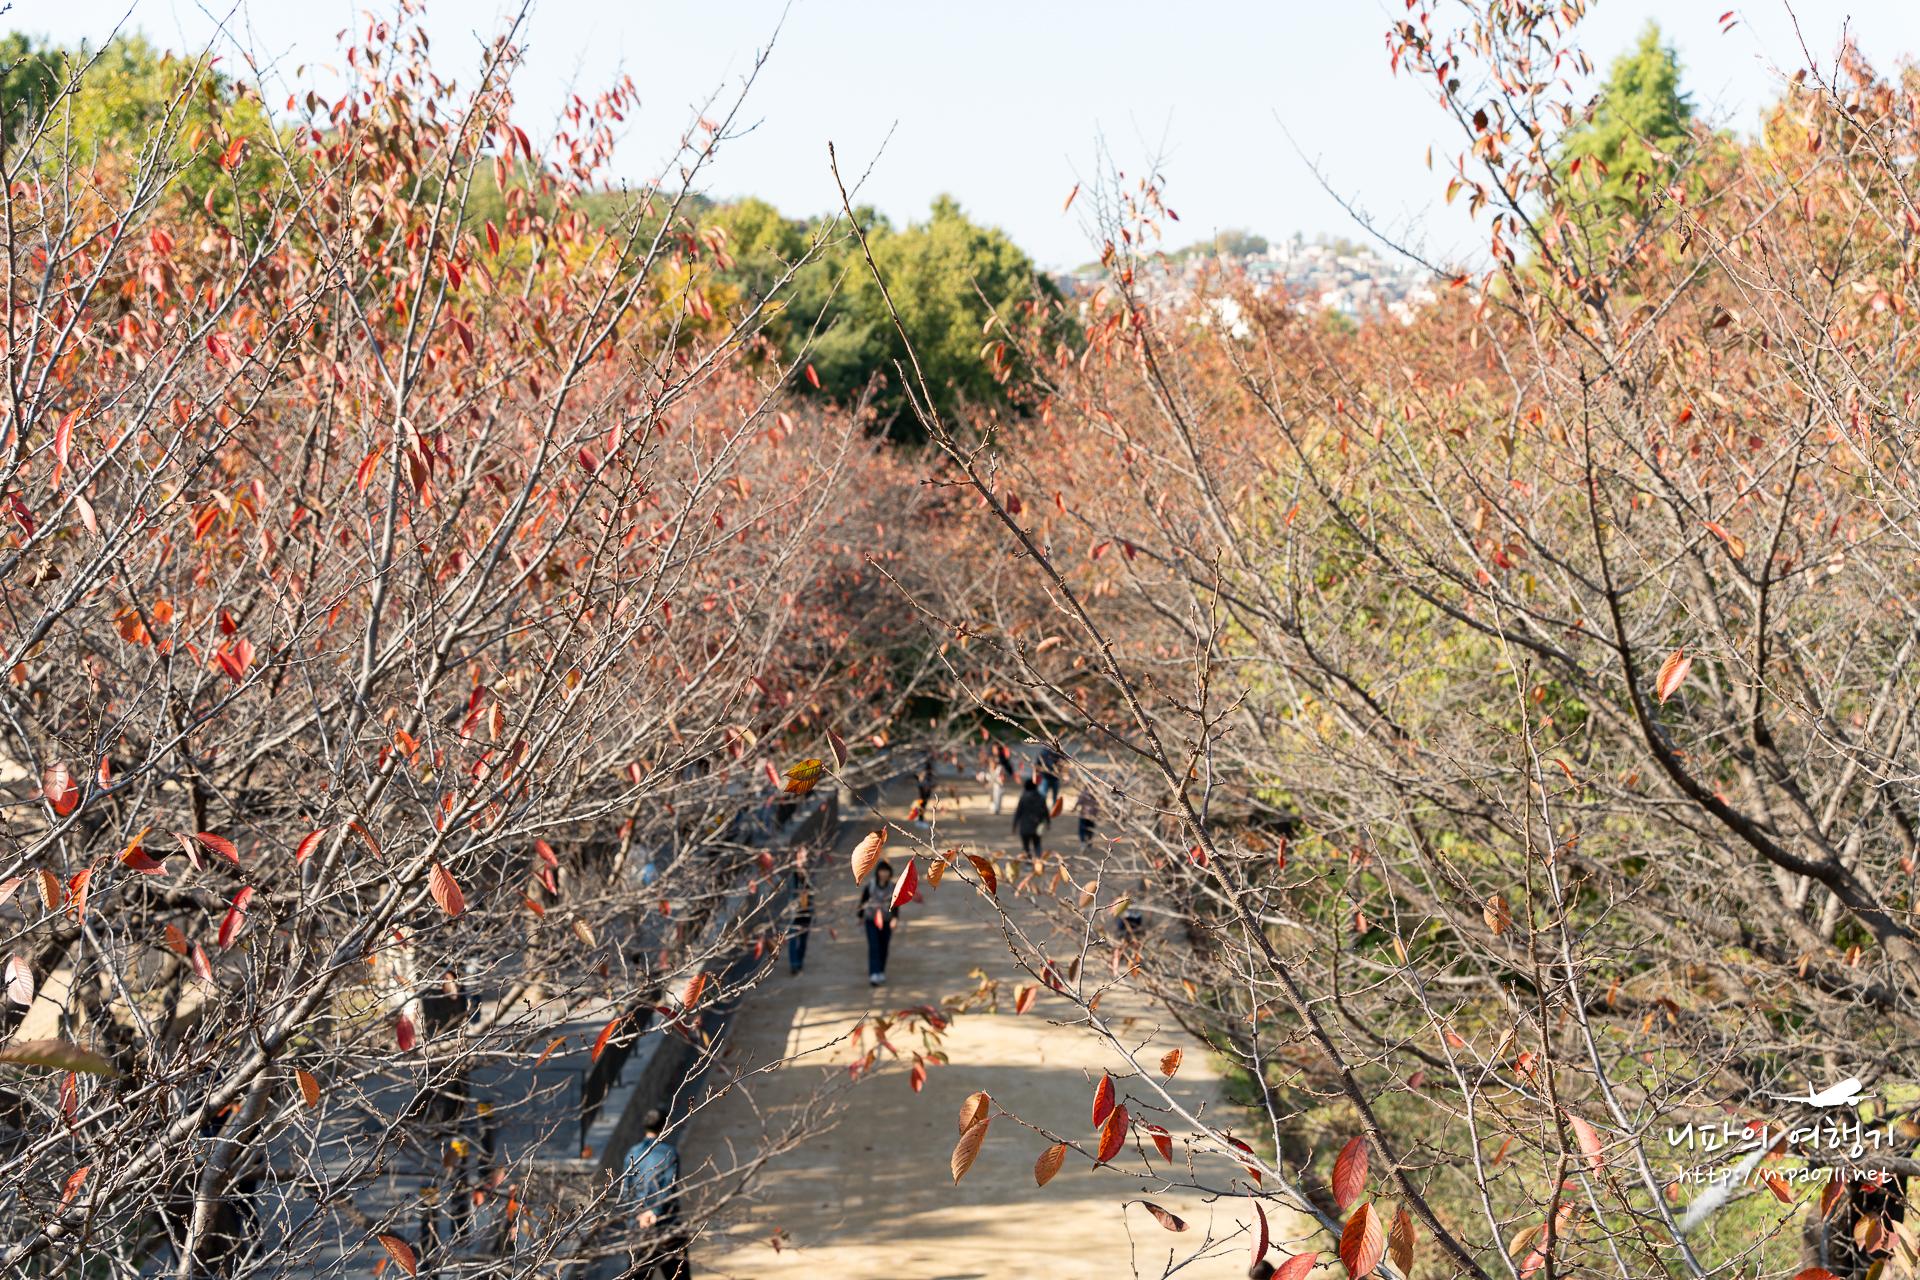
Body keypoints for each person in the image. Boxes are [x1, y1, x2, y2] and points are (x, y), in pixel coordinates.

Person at [619, 1109, 687, 1280]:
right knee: (678, 1275)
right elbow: (668, 1186)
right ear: (664, 1126)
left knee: (637, 1275)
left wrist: (639, 1213)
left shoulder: (633, 1152)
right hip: (666, 1224)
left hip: (639, 1226)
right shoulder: (669, 1152)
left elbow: (626, 1190)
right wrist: (654, 1212)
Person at [857, 859, 900, 986]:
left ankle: (881, 971)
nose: (884, 873)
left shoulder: (893, 887)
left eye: (886, 871)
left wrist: (895, 919)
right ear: (877, 872)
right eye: (881, 871)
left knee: (883, 947)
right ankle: (874, 973)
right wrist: (860, 918)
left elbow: (896, 904)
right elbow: (863, 902)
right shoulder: (870, 885)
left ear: (889, 872)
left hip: (886, 920)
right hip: (871, 920)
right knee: (874, 946)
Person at [787, 851, 814, 976]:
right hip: (793, 916)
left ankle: (799, 961)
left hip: (806, 915)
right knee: (792, 941)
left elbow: (812, 899)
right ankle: (794, 964)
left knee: (803, 942)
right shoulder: (791, 880)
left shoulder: (810, 881)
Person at [1013, 778, 1050, 857]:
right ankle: (1039, 860)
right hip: (1037, 825)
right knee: (1037, 845)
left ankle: (1028, 861)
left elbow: (1018, 813)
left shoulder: (1023, 798)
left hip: (1025, 827)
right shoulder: (1040, 798)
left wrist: (1014, 825)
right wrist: (1048, 822)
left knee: (1026, 847)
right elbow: (1045, 811)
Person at [988, 744, 1013, 814]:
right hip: (992, 783)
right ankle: (993, 807)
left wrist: (1004, 777)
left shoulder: (1001, 760)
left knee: (998, 795)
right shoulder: (992, 756)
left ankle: (997, 808)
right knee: (992, 795)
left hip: (998, 783)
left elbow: (1007, 767)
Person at [1036, 744, 1063, 809]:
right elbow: (1038, 764)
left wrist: (1061, 772)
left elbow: (1063, 763)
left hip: (1055, 777)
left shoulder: (1057, 752)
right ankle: (1041, 809)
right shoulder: (1043, 752)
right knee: (1043, 795)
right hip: (1045, 777)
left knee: (1054, 796)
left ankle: (1053, 810)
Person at [1074, 787, 1100, 852]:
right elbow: (1098, 804)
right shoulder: (1096, 793)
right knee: (1090, 830)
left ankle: (1083, 842)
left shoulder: (1084, 793)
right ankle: (1089, 845)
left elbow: (1079, 801)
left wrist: (1074, 808)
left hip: (1084, 814)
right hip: (1093, 815)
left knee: (1082, 830)